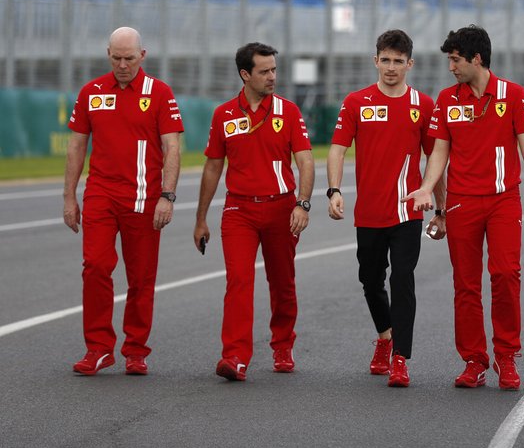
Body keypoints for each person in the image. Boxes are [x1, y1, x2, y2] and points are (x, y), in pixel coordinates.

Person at [403, 25, 524, 390]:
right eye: (450, 59)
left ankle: (506, 357)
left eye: (456, 59)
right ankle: (474, 360)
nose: (451, 67)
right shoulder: (447, 100)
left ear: (476, 59)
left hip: (503, 201)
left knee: (507, 275)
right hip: (462, 203)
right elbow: (439, 152)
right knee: (465, 285)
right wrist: (427, 188)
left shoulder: (513, 95)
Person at [326, 30, 445, 388]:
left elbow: (434, 160)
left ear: (410, 64)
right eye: (385, 60)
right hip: (370, 214)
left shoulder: (423, 105)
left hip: (409, 211)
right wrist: (333, 189)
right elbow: (336, 149)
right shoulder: (356, 102)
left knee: (402, 280)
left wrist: (440, 208)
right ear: (375, 60)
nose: (391, 68)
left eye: (398, 61)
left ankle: (400, 359)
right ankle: (384, 336)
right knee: (370, 280)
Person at [64, 26, 183, 376]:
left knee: (141, 277)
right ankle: (98, 348)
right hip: (101, 194)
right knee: (96, 266)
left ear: (142, 56)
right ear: (107, 55)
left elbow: (172, 147)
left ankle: (135, 349)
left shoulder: (159, 93)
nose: (122, 65)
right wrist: (69, 196)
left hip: (144, 199)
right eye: (116, 58)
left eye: (129, 58)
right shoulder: (92, 92)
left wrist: (167, 195)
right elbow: (76, 146)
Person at [193, 43, 314, 382]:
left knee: (282, 282)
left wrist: (302, 203)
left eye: (274, 69)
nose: (272, 76)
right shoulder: (224, 115)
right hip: (239, 210)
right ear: (246, 74)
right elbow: (213, 167)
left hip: (281, 209)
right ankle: (235, 356)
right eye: (264, 71)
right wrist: (201, 218)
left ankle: (282, 345)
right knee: (239, 281)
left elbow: (305, 161)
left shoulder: (288, 112)